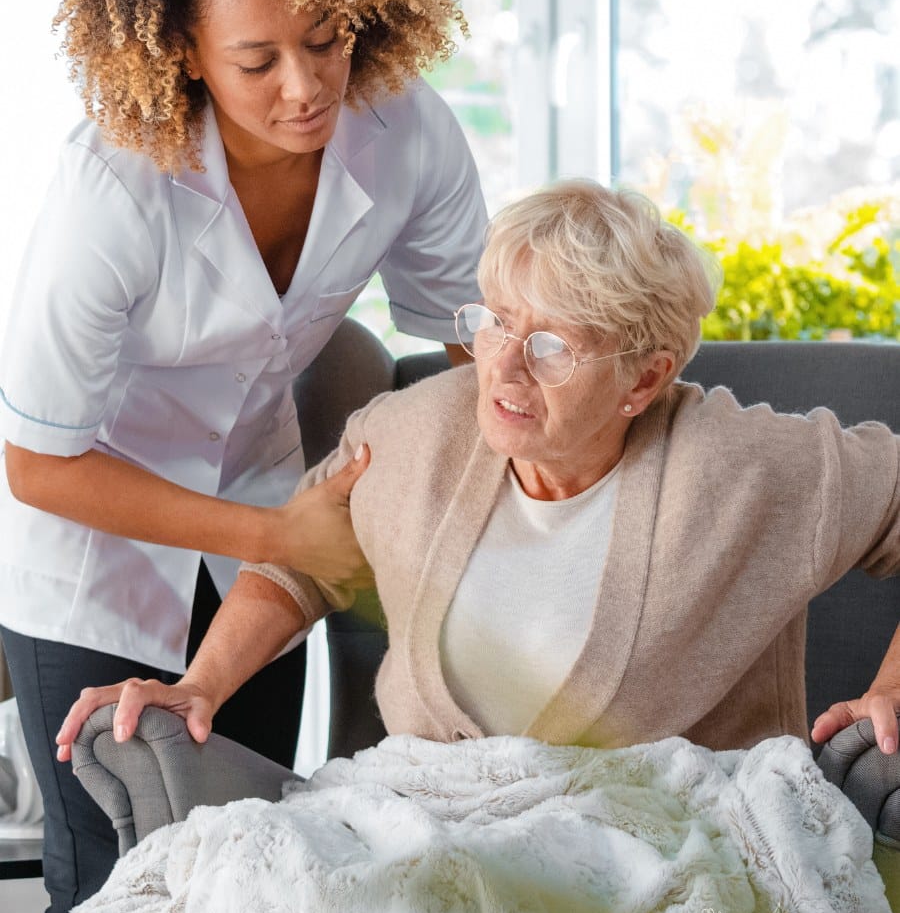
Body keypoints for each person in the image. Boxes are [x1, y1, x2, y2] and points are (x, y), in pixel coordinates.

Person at [0, 0, 486, 913]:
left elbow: (468, 342)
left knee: (243, 876)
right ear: (181, 51)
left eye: (326, 42)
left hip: (268, 548)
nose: (307, 87)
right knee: (103, 889)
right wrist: (283, 529)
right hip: (93, 549)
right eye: (259, 61)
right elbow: (37, 458)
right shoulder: (116, 185)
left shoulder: (407, 128)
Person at [60, 178, 900, 768]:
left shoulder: (742, 467)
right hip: (435, 836)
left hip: (668, 851)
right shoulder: (413, 431)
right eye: (496, 323)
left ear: (644, 377)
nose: (500, 370)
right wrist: (201, 686)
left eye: (551, 347)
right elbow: (296, 561)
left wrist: (891, 691)